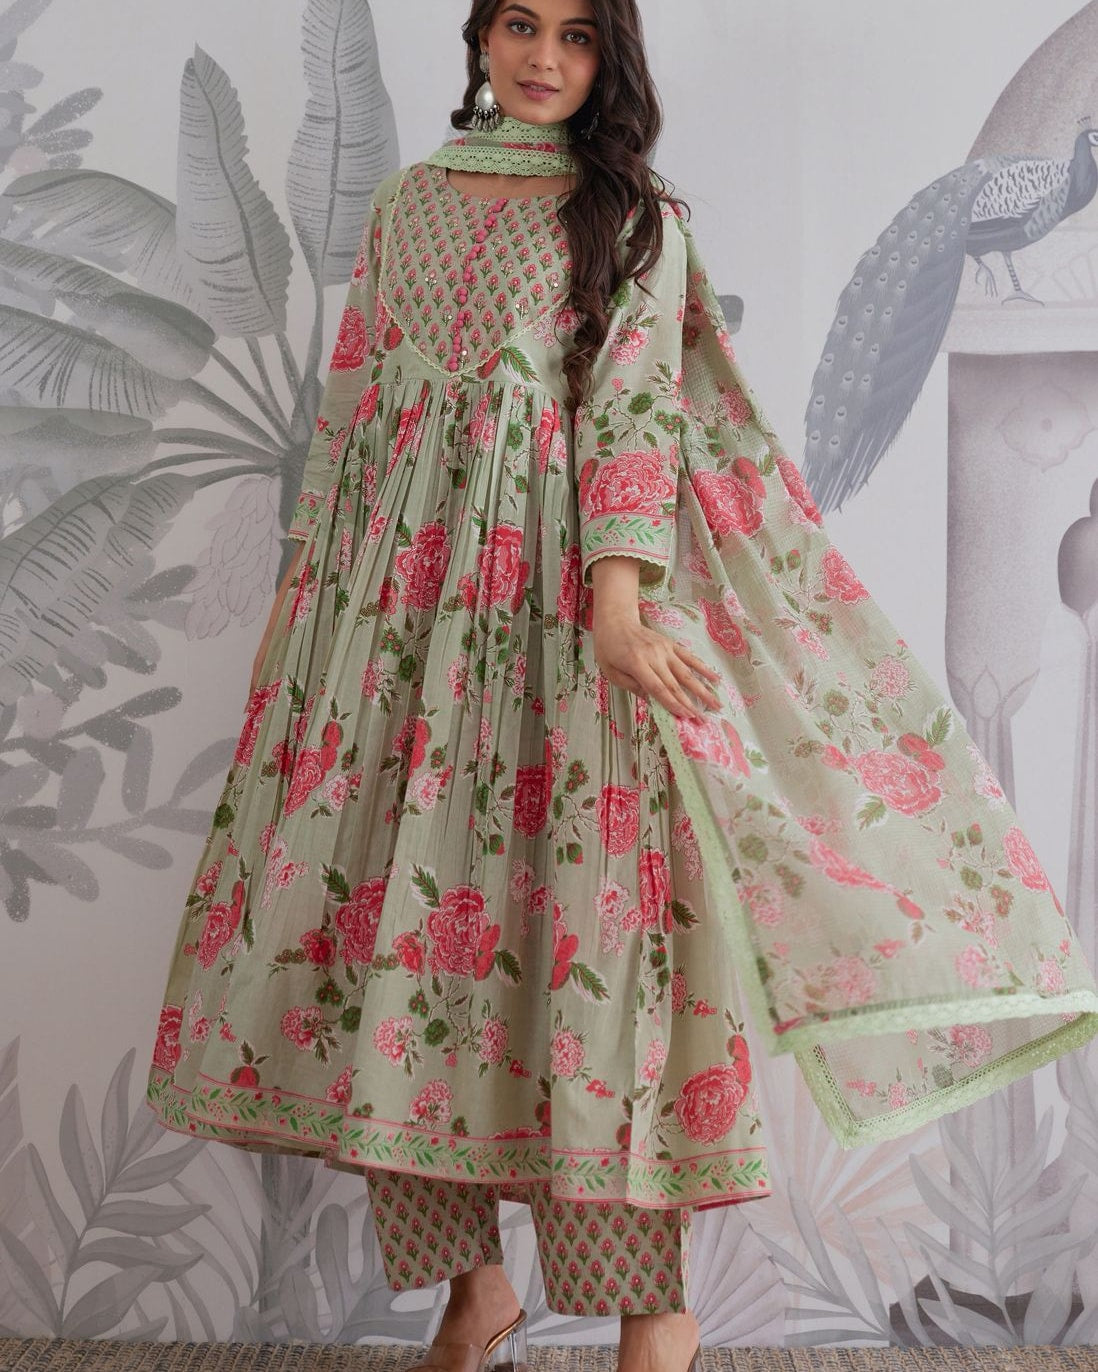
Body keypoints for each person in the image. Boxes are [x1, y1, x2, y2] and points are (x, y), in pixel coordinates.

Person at [145, 2, 1098, 1369]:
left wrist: (613, 607)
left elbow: (636, 413)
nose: (545, 57)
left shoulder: (631, 217)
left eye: (579, 36)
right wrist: (303, 611)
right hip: (394, 624)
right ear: (480, 40)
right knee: (395, 938)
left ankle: (656, 1314)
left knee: (595, 949)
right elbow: (351, 412)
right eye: (520, 25)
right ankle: (470, 1289)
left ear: (610, 63)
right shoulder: (407, 205)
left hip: (566, 626)